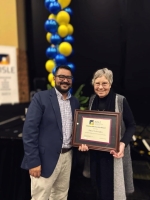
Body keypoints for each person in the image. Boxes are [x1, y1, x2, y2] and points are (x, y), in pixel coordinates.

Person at [21, 65, 80, 200]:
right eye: (61, 77)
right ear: (54, 78)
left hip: (67, 156)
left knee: (61, 195)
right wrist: (33, 162)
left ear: (71, 80)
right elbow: (29, 132)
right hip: (43, 159)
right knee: (40, 197)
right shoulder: (40, 98)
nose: (65, 80)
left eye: (68, 77)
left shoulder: (74, 102)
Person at [79, 68, 135, 200]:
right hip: (96, 154)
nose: (100, 87)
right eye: (97, 83)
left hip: (114, 155)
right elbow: (89, 125)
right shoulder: (92, 100)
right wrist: (83, 140)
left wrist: (122, 144)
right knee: (98, 187)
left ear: (110, 83)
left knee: (113, 190)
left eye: (104, 83)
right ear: (93, 84)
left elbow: (132, 125)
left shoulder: (120, 100)